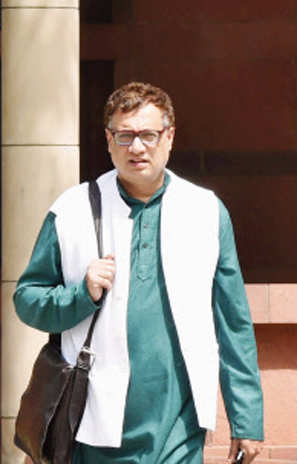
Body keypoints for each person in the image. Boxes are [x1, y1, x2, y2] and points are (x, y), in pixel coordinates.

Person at [14, 82, 264, 463]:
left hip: (179, 424)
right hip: (92, 422)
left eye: (148, 135)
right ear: (108, 139)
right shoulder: (73, 211)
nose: (137, 147)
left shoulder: (205, 212)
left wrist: (246, 420)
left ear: (169, 137)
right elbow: (28, 301)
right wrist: (80, 295)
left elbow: (233, 324)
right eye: (124, 135)